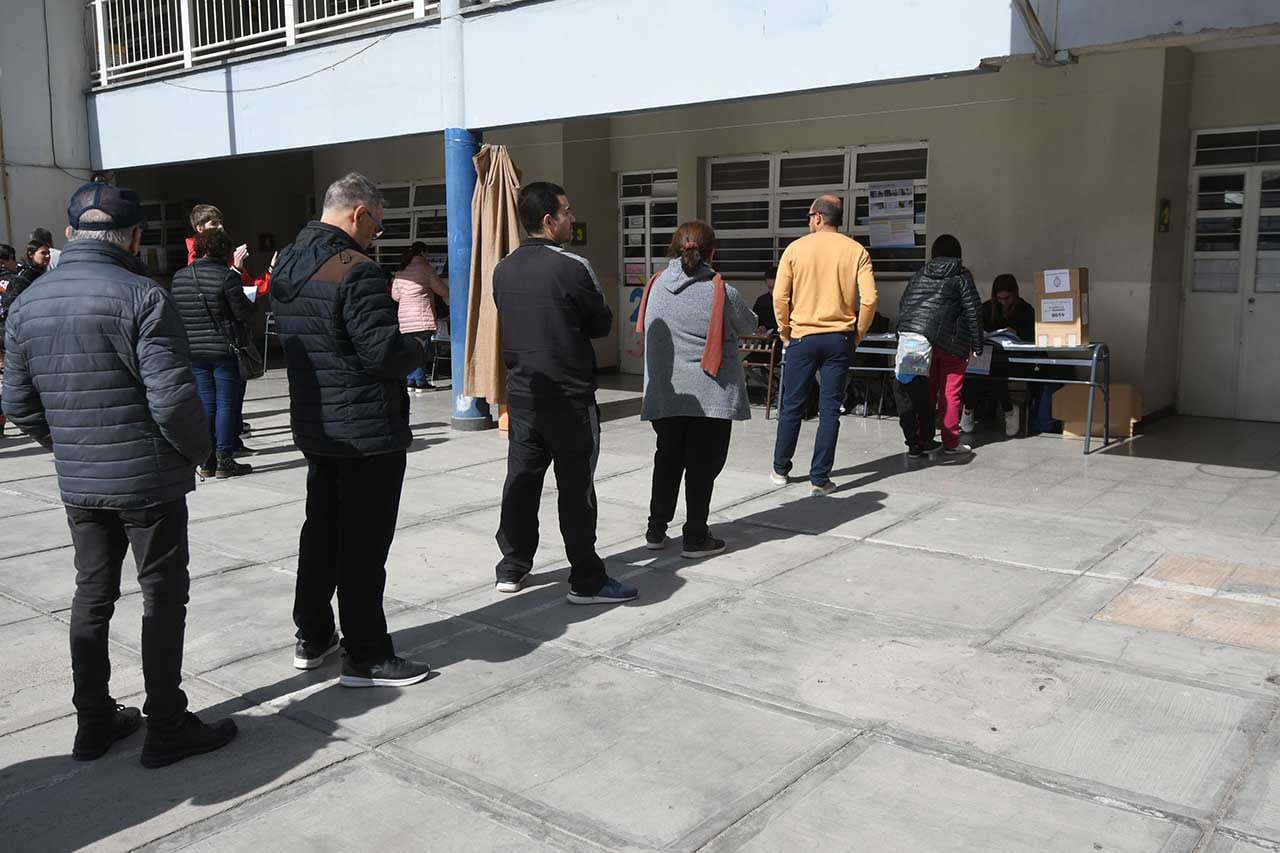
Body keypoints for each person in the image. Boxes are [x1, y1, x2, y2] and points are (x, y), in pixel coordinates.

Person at [1, 182, 236, 767]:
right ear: (133, 237)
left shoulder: (29, 300)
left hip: (81, 480)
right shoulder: (143, 297)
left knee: (93, 593)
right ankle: (166, 724)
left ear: (72, 233)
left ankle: (94, 719)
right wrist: (199, 452)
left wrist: (67, 443)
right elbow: (171, 399)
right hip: (148, 480)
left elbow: (18, 399)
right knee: (161, 596)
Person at [270, 172, 431, 688]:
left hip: (319, 427)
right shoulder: (355, 271)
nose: (374, 238)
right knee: (363, 544)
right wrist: (419, 345)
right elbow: (382, 353)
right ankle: (366, 653)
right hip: (365, 431)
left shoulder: (289, 262)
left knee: (321, 532)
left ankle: (313, 635)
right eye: (376, 227)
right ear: (359, 214)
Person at [491, 181, 636, 605]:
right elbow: (600, 325)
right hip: (570, 398)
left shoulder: (503, 268)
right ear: (547, 221)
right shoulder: (574, 267)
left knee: (521, 480)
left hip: (523, 395)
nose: (574, 218)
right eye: (567, 212)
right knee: (576, 488)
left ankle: (513, 565)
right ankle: (586, 578)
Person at [636, 221, 756, 557]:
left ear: (674, 250)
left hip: (666, 393)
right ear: (712, 253)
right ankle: (695, 537)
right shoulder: (721, 290)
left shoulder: (655, 285)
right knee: (703, 465)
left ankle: (656, 530)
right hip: (710, 395)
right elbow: (749, 324)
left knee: (668, 460)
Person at [770, 195, 878, 496]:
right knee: (830, 409)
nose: (808, 222)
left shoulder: (795, 249)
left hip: (802, 336)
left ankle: (780, 469)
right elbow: (869, 299)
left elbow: (780, 296)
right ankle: (820, 479)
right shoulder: (856, 250)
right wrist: (858, 333)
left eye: (809, 216)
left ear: (818, 217)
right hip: (839, 337)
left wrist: (785, 331)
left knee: (791, 404)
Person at [170, 228, 255, 479]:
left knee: (206, 404)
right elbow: (242, 313)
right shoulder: (227, 277)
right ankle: (224, 458)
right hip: (223, 348)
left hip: (193, 350)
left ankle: (206, 460)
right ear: (224, 251)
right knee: (226, 404)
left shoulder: (180, 277)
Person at [895, 234, 983, 456]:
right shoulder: (961, 277)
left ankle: (921, 439)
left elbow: (904, 304)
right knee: (950, 393)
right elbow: (974, 312)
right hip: (954, 344)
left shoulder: (919, 275)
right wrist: (977, 344)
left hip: (923, 343)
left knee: (926, 392)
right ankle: (951, 442)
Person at [961, 273, 1035, 436]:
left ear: (1015, 294)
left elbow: (1033, 338)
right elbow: (977, 330)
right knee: (974, 370)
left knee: (993, 370)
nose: (1003, 302)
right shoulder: (987, 308)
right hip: (990, 355)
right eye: (999, 298)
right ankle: (971, 409)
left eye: (1007, 298)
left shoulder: (1026, 310)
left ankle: (977, 409)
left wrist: (1018, 334)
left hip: (1015, 360)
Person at [391, 241, 449, 393]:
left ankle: (410, 381)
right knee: (422, 351)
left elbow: (395, 295)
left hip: (404, 318)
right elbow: (441, 290)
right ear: (423, 252)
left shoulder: (401, 270)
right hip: (422, 316)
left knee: (410, 350)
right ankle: (421, 382)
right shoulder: (426, 269)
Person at [753, 264, 778, 334]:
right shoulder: (761, 301)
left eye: (775, 287)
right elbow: (754, 322)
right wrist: (760, 327)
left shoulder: (792, 301)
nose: (773, 291)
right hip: (766, 341)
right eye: (770, 288)